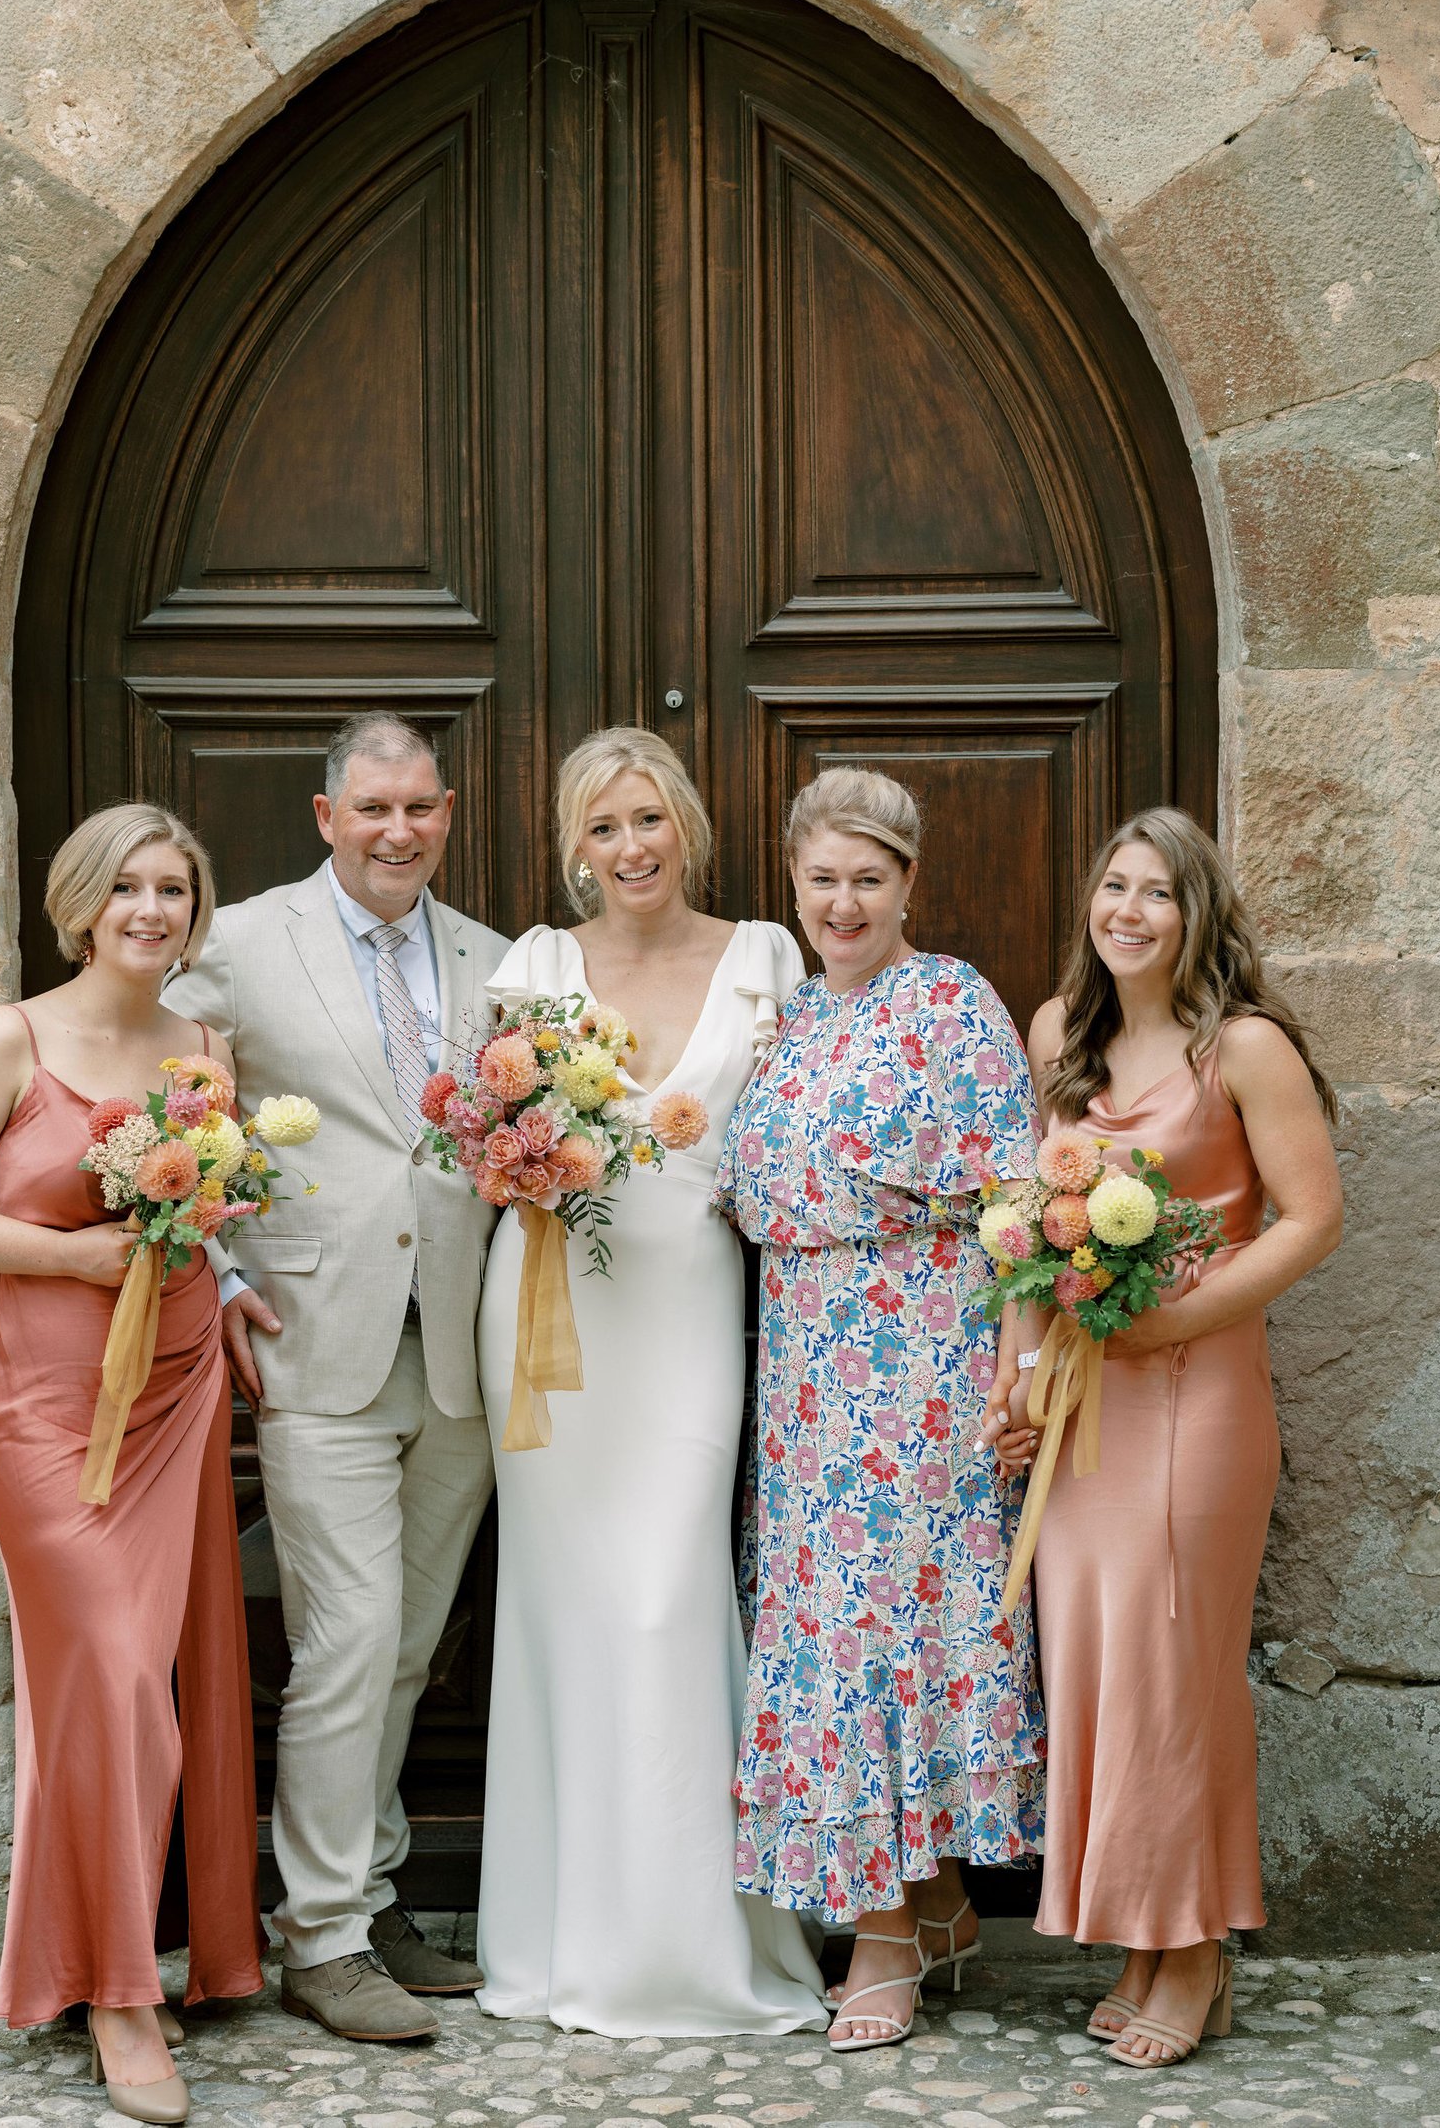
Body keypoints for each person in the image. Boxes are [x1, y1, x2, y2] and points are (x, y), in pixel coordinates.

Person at [0, 805, 263, 2125]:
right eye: (130, 888)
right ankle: (114, 1991)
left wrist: (232, 1284)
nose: (151, 909)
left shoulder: (205, 1046)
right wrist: (77, 1258)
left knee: (155, 1677)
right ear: (82, 902)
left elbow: (200, 1206)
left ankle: (112, 1956)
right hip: (45, 1406)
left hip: (174, 1383)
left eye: (175, 887)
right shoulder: (11, 1038)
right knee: (106, 1671)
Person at [473, 727, 828, 2037]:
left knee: (669, 1591)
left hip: (688, 1311)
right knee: (570, 1610)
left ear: (687, 824)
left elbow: (799, 1122)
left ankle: (692, 1946)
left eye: (649, 819)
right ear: (576, 845)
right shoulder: (537, 969)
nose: (630, 846)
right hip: (552, 1314)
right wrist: (510, 1158)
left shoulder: (765, 959)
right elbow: (488, 1140)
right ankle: (563, 1941)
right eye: (604, 825)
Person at [166, 713, 507, 2043]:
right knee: (348, 1639)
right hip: (317, 1341)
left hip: (464, 1349)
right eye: (373, 808)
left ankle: (363, 1896)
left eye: (420, 806)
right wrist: (226, 1269)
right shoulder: (243, 941)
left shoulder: (492, 957)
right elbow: (176, 1105)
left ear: (448, 809)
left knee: (409, 1646)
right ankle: (315, 1937)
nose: (398, 829)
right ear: (326, 816)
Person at [984, 808, 1342, 2070]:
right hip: (1086, 1406)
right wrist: (1017, 1370)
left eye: (1157, 893)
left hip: (1197, 1394)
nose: (1126, 911)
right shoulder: (1056, 1035)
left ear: (1196, 915)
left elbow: (1311, 1219)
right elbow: (1026, 1220)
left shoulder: (1241, 1046)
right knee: (1104, 1667)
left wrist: (1175, 1316)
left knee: (1173, 1664)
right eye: (1113, 887)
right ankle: (1147, 1940)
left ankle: (1196, 1953)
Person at [714, 767, 1044, 2054]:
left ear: (908, 883)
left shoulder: (951, 1003)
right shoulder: (787, 1014)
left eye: (867, 878)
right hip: (802, 1377)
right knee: (833, 1637)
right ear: (790, 882)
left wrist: (1015, 1365)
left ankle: (887, 1936)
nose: (841, 901)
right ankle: (943, 1902)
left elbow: (1012, 1199)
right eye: (821, 878)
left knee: (889, 1637)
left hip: (920, 1369)